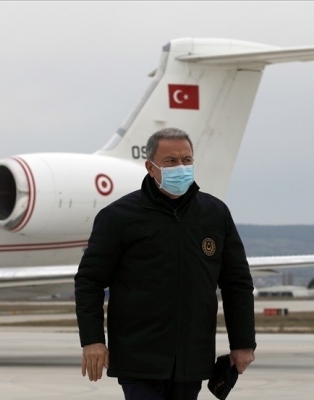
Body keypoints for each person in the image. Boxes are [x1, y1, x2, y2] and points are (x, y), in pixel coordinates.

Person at [74, 127, 256, 400]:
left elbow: (237, 283)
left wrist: (242, 343)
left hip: (192, 358)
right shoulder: (118, 217)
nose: (180, 167)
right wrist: (93, 341)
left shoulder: (215, 214)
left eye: (186, 160)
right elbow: (89, 282)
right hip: (138, 358)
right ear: (151, 167)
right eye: (171, 161)